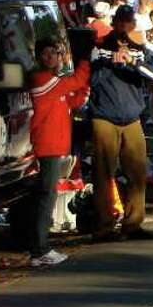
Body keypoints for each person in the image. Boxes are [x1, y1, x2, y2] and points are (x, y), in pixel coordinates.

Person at [89, 6, 153, 240]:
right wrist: (110, 60)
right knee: (103, 173)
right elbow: (90, 74)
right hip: (104, 116)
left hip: (132, 117)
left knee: (137, 172)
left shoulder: (140, 49)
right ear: (115, 23)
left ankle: (133, 223)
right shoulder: (99, 46)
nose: (125, 28)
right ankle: (104, 226)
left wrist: (133, 62)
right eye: (121, 23)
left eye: (129, 23)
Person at [27, 38, 90, 265]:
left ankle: (40, 248)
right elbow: (76, 82)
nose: (50, 57)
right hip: (47, 145)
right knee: (46, 195)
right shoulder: (42, 79)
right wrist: (85, 61)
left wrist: (83, 86)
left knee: (47, 194)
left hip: (54, 145)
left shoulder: (54, 82)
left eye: (54, 53)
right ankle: (39, 250)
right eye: (46, 53)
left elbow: (72, 100)